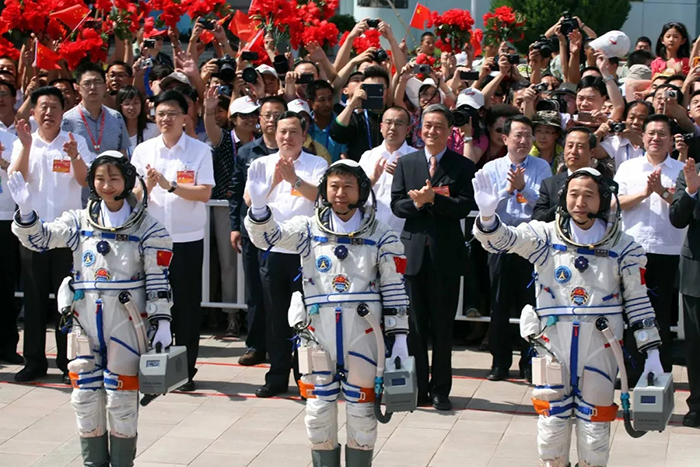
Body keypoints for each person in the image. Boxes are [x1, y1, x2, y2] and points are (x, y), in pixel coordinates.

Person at [472, 167, 663, 466]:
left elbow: (639, 303)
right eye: (573, 194)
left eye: (589, 195)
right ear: (563, 198)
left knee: (596, 427)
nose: (580, 202)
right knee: (551, 424)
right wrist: (487, 216)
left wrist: (651, 353)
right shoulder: (544, 237)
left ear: (603, 199)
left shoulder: (624, 247)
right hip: (552, 345)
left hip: (601, 346)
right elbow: (501, 241)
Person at [7, 152, 173, 467]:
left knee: (121, 398)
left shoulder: (149, 229)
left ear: (127, 180)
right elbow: (41, 240)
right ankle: (93, 463)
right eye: (100, 178)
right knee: (84, 396)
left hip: (127, 321)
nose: (107, 185)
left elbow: (158, 279)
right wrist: (27, 211)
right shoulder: (78, 221)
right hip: (84, 319)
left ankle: (122, 462)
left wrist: (162, 322)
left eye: (114, 178)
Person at [245, 159, 409, 467]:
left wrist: (399, 338)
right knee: (318, 413)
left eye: (348, 186)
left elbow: (394, 288)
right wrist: (258, 209)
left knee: (362, 415)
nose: (340, 193)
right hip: (317, 336)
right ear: (324, 190)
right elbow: (268, 238)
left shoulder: (382, 234)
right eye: (334, 186)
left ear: (361, 191)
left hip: (364, 336)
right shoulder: (309, 229)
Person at [391, 104, 475, 410]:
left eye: (439, 126)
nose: (432, 131)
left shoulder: (461, 166)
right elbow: (397, 204)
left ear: (449, 130)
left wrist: (434, 199)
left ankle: (440, 389)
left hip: (445, 254)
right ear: (419, 128)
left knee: (442, 327)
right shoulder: (407, 162)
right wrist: (417, 204)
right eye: (427, 125)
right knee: (414, 327)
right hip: (413, 254)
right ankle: (418, 387)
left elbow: (464, 206)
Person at [130, 90, 215, 391]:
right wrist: (149, 186)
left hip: (187, 240)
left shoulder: (199, 151)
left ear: (184, 118)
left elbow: (205, 193)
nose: (165, 119)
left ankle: (183, 372)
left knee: (186, 308)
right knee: (150, 304)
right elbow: (134, 198)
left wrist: (172, 186)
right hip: (151, 241)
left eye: (171, 114)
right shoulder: (143, 151)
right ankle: (150, 366)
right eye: (160, 114)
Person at [9, 86, 92, 383]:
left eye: (54, 107)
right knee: (33, 299)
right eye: (42, 107)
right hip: (33, 233)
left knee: (67, 302)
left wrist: (74, 157)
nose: (48, 113)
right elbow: (16, 178)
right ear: (33, 112)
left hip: (66, 235)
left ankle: (68, 363)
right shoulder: (25, 142)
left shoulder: (75, 141)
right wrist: (27, 146)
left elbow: (85, 181)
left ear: (62, 112)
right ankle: (34, 361)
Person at [244, 111, 328, 397]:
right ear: (274, 134)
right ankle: (277, 377)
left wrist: (293, 179)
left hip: (305, 252)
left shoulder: (315, 163)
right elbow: (249, 198)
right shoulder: (261, 163)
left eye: (293, 132)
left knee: (305, 319)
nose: (287, 137)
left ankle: (306, 379)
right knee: (276, 317)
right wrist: (274, 182)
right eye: (282, 132)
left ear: (303, 136)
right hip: (271, 250)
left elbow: (321, 197)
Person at [480, 115, 551, 382]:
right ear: (505, 138)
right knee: (498, 304)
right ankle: (499, 363)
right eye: (518, 135)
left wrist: (524, 189)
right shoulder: (492, 168)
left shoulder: (542, 167)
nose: (523, 140)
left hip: (530, 242)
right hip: (499, 242)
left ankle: (530, 362)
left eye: (527, 135)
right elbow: (486, 205)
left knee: (530, 306)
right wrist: (507, 190)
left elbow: (544, 204)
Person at [616, 114, 685, 385]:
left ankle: (659, 372)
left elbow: (685, 208)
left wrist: (662, 193)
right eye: (651, 133)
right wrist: (645, 193)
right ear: (642, 137)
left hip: (667, 250)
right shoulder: (628, 168)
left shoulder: (681, 171)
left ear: (671, 140)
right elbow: (616, 203)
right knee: (631, 312)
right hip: (633, 250)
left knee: (660, 314)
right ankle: (631, 371)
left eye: (662, 134)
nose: (655, 138)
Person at [230, 96, 288, 366]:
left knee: (281, 294)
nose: (272, 120)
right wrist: (234, 227)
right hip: (252, 230)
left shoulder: (294, 152)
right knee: (254, 290)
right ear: (259, 120)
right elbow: (236, 194)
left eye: (278, 115)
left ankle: (285, 346)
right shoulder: (246, 152)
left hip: (284, 233)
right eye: (267, 115)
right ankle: (255, 345)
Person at [205, 92, 259, 336]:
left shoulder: (261, 142)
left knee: (254, 262)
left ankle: (253, 312)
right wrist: (208, 110)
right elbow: (211, 128)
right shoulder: (225, 140)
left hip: (258, 208)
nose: (249, 119)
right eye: (243, 115)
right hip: (225, 206)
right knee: (228, 262)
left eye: (252, 115)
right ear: (233, 118)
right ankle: (231, 316)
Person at [670, 158, 700, 427]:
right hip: (696, 273)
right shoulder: (691, 172)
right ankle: (697, 406)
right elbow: (677, 219)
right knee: (696, 345)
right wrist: (692, 191)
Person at [358, 106, 416, 233]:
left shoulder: (417, 157)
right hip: (370, 230)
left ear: (408, 130)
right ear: (381, 127)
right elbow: (356, 193)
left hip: (404, 230)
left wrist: (402, 179)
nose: (392, 127)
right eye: (388, 122)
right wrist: (373, 179)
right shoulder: (368, 156)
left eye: (399, 123)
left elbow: (422, 196)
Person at [62, 62, 131, 160]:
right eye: (87, 83)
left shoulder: (116, 117)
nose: (93, 87)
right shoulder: (67, 120)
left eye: (98, 82)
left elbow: (123, 152)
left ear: (105, 86)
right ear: (77, 87)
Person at [533, 127, 600, 222]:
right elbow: (538, 218)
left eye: (580, 147)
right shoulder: (550, 184)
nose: (573, 151)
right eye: (570, 146)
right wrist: (563, 204)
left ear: (591, 152)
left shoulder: (602, 183)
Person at [330, 66, 390, 162]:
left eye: (379, 89)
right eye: (370, 89)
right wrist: (352, 104)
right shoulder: (356, 119)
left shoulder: (394, 118)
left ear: (388, 91)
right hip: (361, 172)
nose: (375, 93)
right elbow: (336, 134)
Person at [0, 127, 21, 364]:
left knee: (5, 287)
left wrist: (2, 161)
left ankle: (6, 346)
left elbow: (21, 176)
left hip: (4, 218)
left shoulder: (12, 140)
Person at [116, 86, 159, 154]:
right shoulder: (114, 132)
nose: (131, 107)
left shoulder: (154, 130)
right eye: (127, 104)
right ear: (120, 106)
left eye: (136, 103)